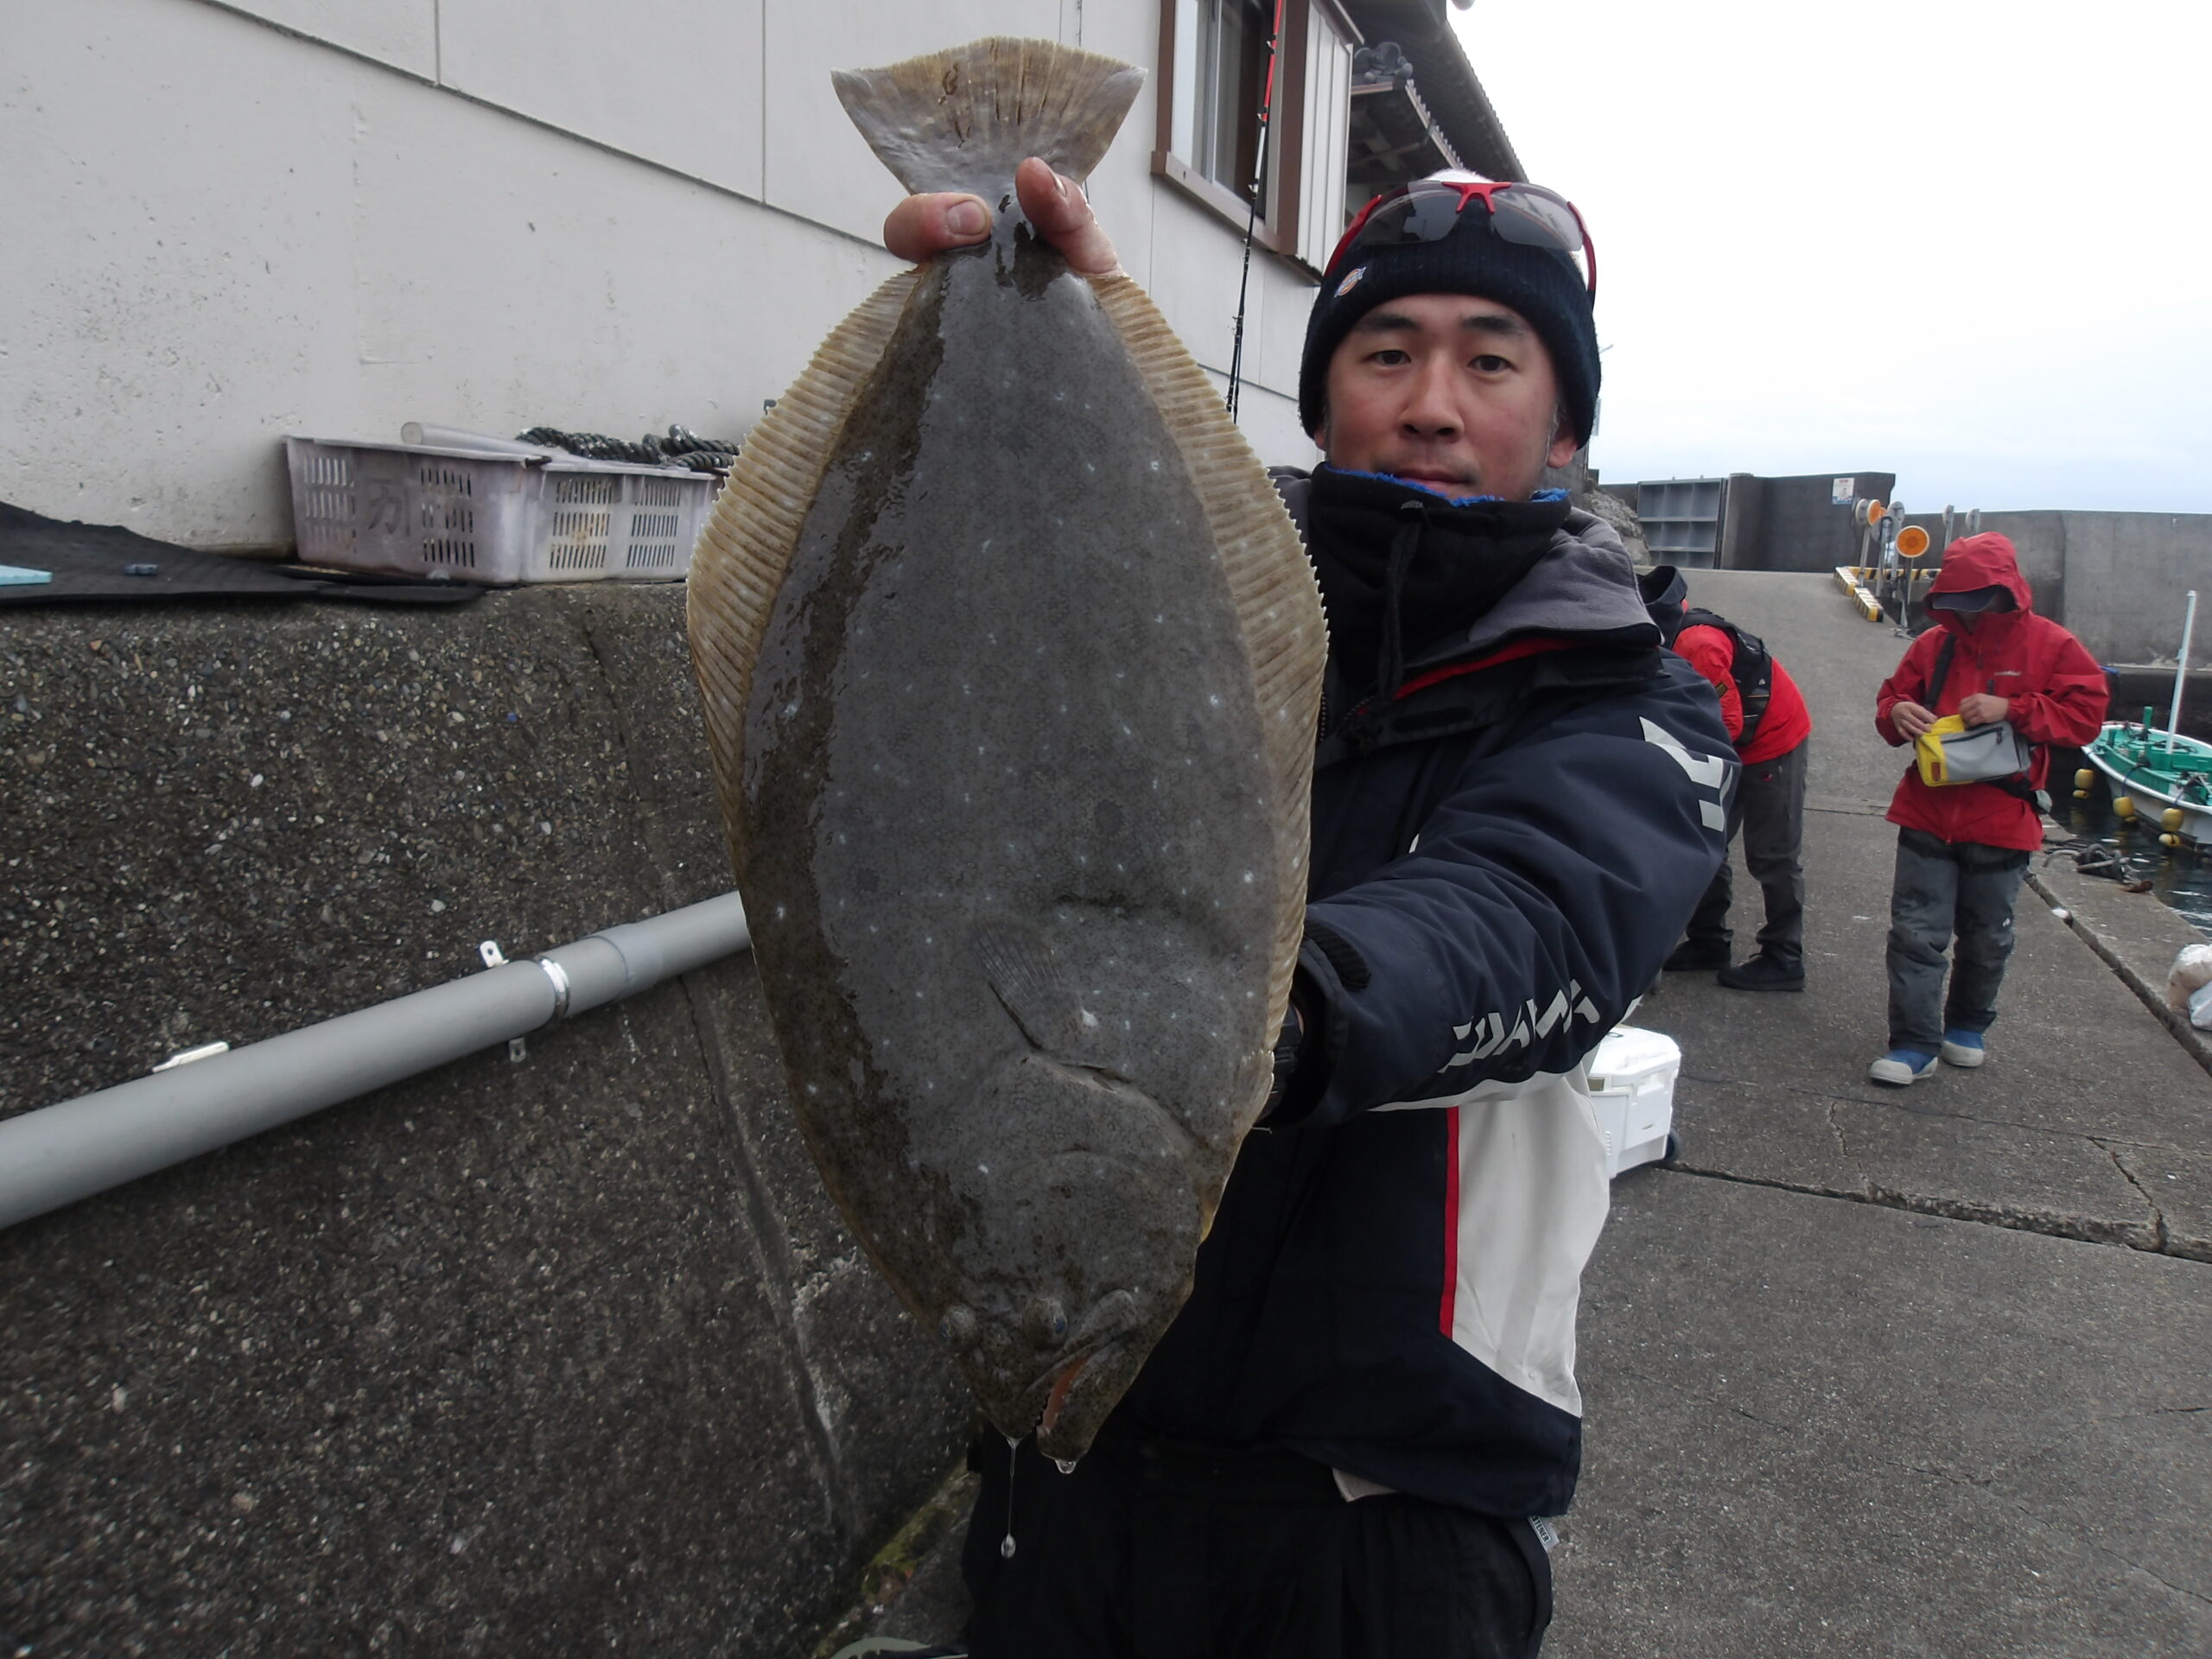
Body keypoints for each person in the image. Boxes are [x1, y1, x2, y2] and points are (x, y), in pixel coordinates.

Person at [884, 160, 1735, 1658]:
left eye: (1492, 359)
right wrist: (1036, 310)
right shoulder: (1160, 619)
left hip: (1390, 1517)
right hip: (1068, 1458)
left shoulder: (1640, 699)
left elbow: (1527, 912)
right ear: (1325, 396)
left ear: (1568, 423)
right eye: (1386, 352)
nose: (1431, 403)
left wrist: (1252, 1015)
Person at [1869, 532, 2105, 1084]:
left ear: (2007, 591)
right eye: (1958, 601)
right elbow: (1889, 701)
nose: (1967, 613)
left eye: (1978, 600)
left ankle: (1968, 1024)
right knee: (1913, 932)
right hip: (1928, 812)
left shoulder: (2053, 645)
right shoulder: (1933, 645)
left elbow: (2085, 718)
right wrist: (1898, 711)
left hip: (2002, 819)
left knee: (1988, 933)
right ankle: (1913, 1043)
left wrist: (2015, 708)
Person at [1639, 569, 1814, 991]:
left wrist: (1675, 763)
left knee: (1773, 854)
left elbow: (1725, 723)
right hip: (1734, 743)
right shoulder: (1675, 637)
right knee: (1705, 844)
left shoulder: (1696, 644)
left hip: (1773, 743)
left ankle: (1783, 956)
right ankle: (1708, 941)